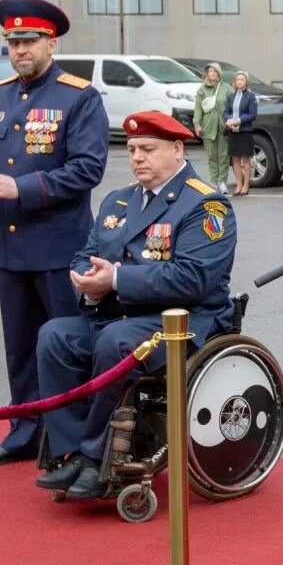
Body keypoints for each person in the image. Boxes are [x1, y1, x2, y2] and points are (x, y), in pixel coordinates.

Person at [36, 111, 238, 501]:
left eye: (148, 149)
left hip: (183, 321)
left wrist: (114, 280)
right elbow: (87, 254)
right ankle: (70, 450)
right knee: (54, 336)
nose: (137, 157)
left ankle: (95, 456)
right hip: (117, 313)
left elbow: (193, 278)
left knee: (115, 342)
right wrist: (88, 285)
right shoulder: (118, 200)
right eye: (131, 150)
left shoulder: (206, 205)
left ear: (177, 150)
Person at [0, 0, 109, 468]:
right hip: (10, 247)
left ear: (51, 42)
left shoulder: (78, 96)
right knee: (19, 347)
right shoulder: (0, 95)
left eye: (29, 41)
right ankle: (25, 432)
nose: (20, 50)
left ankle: (73, 443)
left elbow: (88, 169)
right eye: (13, 42)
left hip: (58, 245)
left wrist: (20, 188)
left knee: (64, 346)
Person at [191, 63, 231, 190]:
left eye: (214, 71)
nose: (212, 73)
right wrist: (197, 124)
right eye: (210, 71)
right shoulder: (202, 89)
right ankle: (214, 181)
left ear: (219, 73)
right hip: (208, 127)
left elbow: (233, 106)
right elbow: (198, 109)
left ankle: (222, 182)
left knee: (223, 156)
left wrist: (231, 120)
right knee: (212, 156)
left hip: (223, 126)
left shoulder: (227, 88)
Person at [223, 71, 259, 196]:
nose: (239, 82)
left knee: (245, 158)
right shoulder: (231, 97)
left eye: (242, 80)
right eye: (237, 79)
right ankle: (238, 184)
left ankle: (246, 185)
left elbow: (252, 114)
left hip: (245, 130)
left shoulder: (250, 96)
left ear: (246, 82)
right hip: (232, 130)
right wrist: (230, 120)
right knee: (235, 159)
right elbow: (225, 112)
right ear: (235, 82)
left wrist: (238, 120)